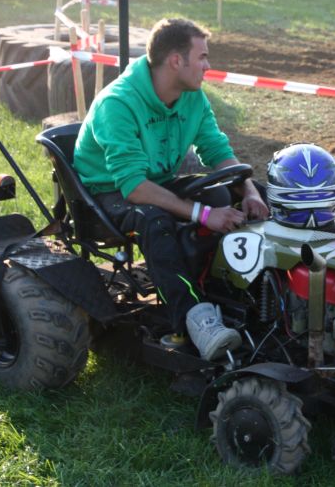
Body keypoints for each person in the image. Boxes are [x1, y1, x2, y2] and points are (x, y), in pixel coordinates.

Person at [73, 18, 269, 360]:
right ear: (176, 61)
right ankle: (194, 320)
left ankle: (253, 299)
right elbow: (133, 186)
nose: (208, 66)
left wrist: (249, 191)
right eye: (203, 57)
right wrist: (204, 214)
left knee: (251, 195)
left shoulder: (191, 98)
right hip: (108, 193)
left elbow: (218, 152)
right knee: (155, 221)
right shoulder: (117, 104)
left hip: (157, 182)